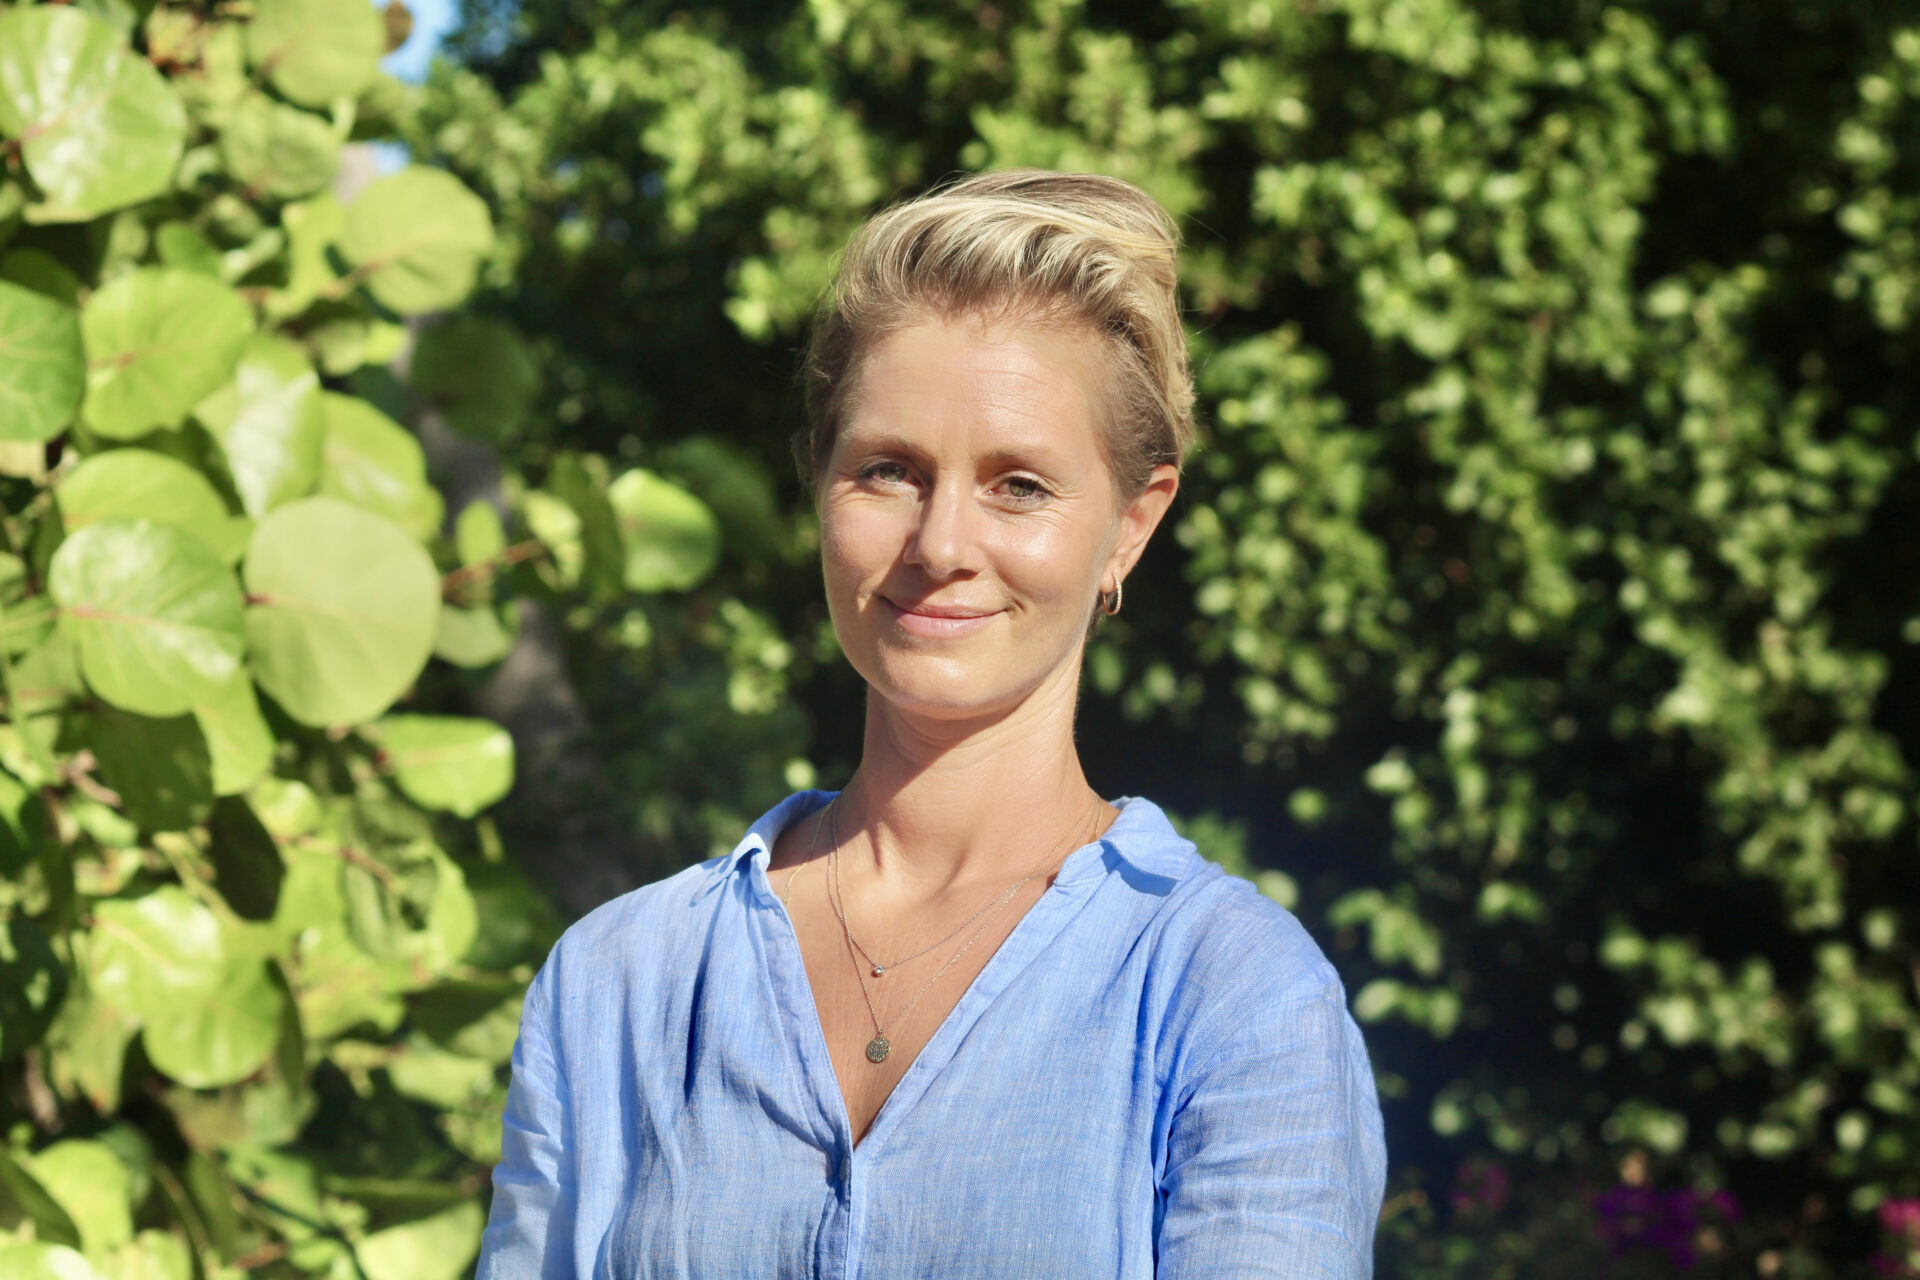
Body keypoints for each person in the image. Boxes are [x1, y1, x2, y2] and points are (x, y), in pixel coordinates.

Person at [474, 168, 1387, 1279]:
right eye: (890, 471)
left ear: (1131, 526)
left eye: (1019, 485)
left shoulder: (1234, 996)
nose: (942, 541)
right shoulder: (617, 981)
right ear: (820, 487)